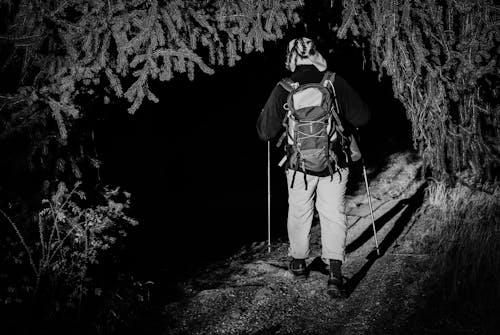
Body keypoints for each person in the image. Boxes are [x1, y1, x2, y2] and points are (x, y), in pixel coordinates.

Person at [256, 37, 370, 297]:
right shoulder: (333, 81)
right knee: (333, 213)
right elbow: (363, 117)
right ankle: (335, 272)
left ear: (291, 58)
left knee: (299, 211)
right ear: (316, 54)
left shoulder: (284, 87)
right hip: (334, 164)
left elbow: (264, 132)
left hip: (298, 167)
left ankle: (298, 263)